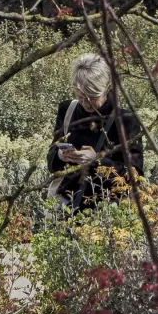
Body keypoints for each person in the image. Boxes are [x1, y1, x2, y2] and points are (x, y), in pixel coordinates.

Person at [49, 54, 144, 212]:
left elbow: (135, 176)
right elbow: (51, 162)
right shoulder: (67, 110)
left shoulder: (126, 121)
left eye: (92, 97)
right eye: (80, 96)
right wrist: (60, 156)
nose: (85, 103)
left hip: (107, 213)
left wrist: (97, 161)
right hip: (65, 207)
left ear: (106, 89)